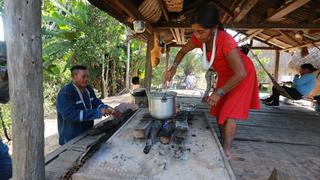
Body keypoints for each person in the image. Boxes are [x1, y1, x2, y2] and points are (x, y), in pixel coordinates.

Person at [164, 3, 260, 159]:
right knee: (218, 110)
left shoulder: (225, 41)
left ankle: (226, 150)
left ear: (214, 27)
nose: (198, 35)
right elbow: (182, 51)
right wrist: (173, 68)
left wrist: (220, 92)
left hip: (242, 74)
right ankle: (222, 142)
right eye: (194, 31)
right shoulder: (198, 37)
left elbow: (240, 72)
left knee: (229, 113)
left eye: (201, 31)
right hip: (225, 75)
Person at [56, 65, 116, 145]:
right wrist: (98, 112)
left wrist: (106, 108)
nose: (86, 79)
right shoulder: (66, 93)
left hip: (87, 133)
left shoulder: (88, 89)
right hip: (70, 138)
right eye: (83, 76)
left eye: (87, 76)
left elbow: (95, 102)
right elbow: (69, 115)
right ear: (73, 77)